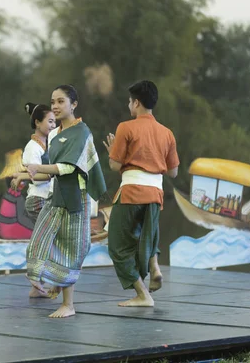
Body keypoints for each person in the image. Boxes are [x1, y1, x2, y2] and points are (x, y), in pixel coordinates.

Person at [23, 85, 107, 318]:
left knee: (71, 247)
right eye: (53, 102)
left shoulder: (81, 132)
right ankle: (48, 282)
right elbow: (52, 172)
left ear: (74, 104)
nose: (55, 106)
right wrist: (27, 173)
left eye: (61, 101)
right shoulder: (54, 134)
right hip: (56, 194)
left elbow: (68, 167)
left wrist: (37, 166)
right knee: (39, 240)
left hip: (75, 198)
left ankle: (68, 304)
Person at [103, 80, 179, 307]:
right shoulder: (167, 133)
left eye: (129, 101)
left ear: (136, 102)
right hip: (155, 196)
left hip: (131, 194)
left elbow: (115, 166)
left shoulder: (125, 127)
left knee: (117, 246)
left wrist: (112, 153)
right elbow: (173, 172)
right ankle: (154, 266)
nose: (129, 105)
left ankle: (142, 294)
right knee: (146, 235)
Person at [10, 103, 56, 298]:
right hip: (38, 200)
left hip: (46, 199)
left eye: (55, 121)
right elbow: (32, 174)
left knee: (47, 238)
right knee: (46, 238)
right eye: (50, 121)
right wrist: (51, 175)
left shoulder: (48, 144)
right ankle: (36, 277)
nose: (54, 125)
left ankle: (38, 284)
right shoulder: (32, 147)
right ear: (37, 122)